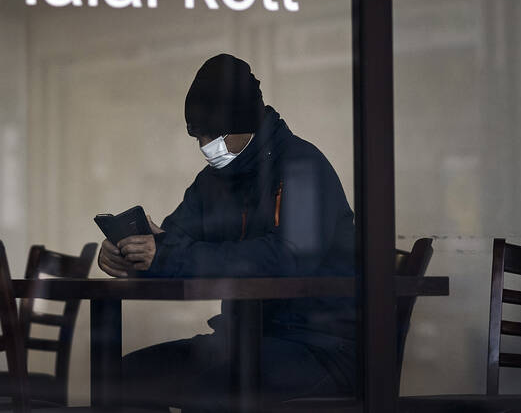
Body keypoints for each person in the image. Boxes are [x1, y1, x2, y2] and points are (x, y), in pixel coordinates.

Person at [98, 54, 356, 411]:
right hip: (242, 340)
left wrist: (169, 253)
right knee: (124, 378)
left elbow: (287, 257)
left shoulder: (303, 167)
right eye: (198, 135)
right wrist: (135, 251)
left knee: (208, 390)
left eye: (214, 135)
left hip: (321, 347)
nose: (206, 147)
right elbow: (176, 239)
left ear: (245, 123)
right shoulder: (214, 181)